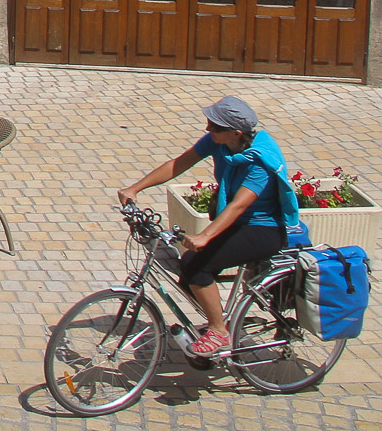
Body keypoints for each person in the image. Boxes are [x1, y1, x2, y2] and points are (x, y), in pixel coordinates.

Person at [116, 96, 301, 357]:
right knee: (187, 266)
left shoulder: (261, 161)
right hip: (235, 223)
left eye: (214, 127)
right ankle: (221, 318)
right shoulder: (220, 143)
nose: (207, 130)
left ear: (235, 133)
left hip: (264, 229)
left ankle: (219, 332)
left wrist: (205, 236)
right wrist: (135, 188)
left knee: (199, 266)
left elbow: (238, 205)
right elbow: (178, 164)